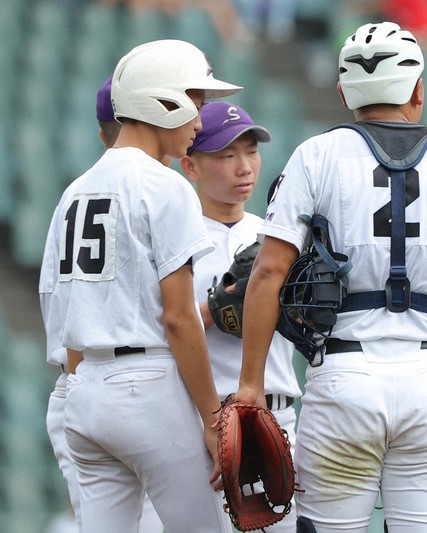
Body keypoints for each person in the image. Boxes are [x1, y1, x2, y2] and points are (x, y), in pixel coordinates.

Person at [235, 21, 427, 533]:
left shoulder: (316, 154)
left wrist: (250, 384)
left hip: (343, 376)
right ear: (417, 90)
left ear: (344, 92)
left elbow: (268, 272)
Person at [42, 39, 242, 532]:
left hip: (84, 389)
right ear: (162, 100)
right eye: (195, 102)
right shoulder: (164, 184)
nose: (199, 121)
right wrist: (213, 418)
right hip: (146, 386)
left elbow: (64, 311)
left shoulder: (74, 190)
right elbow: (178, 317)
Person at [40, 74, 164, 533]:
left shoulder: (70, 199)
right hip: (134, 382)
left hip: (80, 383)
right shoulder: (157, 193)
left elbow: (59, 307)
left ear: (100, 133)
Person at [179, 100, 302, 532]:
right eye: (226, 155)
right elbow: (156, 331)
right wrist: (213, 311)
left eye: (251, 151)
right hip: (201, 423)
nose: (244, 166)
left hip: (275, 418)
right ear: (190, 166)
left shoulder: (278, 238)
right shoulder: (175, 238)